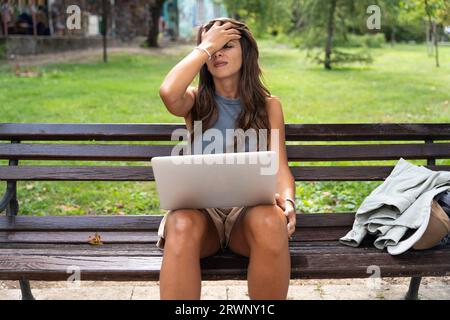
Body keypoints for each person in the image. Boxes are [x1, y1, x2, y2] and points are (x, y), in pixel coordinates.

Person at [158, 18, 296, 300]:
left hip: (247, 217)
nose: (218, 53)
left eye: (227, 45)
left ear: (246, 53)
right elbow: (167, 92)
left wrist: (289, 200)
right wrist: (207, 46)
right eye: (212, 48)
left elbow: (280, 167)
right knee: (180, 223)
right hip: (200, 217)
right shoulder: (194, 101)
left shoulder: (269, 106)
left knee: (272, 221)